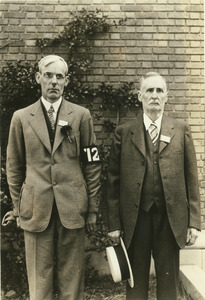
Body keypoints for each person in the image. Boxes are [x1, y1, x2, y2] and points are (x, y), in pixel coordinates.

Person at [6, 55, 101, 300]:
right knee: (39, 278)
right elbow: (14, 166)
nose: (54, 82)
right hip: (36, 207)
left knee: (72, 277)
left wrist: (92, 208)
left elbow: (92, 164)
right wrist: (18, 208)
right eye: (48, 75)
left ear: (66, 81)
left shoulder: (81, 116)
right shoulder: (21, 117)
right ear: (38, 78)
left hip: (72, 206)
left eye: (59, 77)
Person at [106, 72, 201, 300]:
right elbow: (112, 181)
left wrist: (194, 222)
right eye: (149, 90)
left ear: (167, 96)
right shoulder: (124, 133)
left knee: (168, 285)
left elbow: (191, 178)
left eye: (159, 91)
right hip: (135, 219)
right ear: (140, 96)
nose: (155, 96)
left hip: (170, 219)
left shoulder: (180, 129)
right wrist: (114, 223)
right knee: (135, 284)